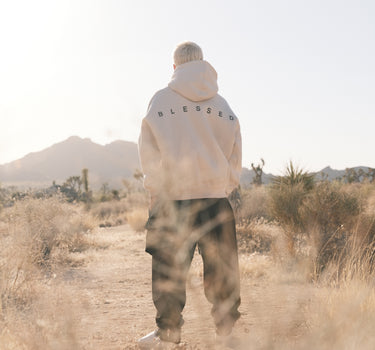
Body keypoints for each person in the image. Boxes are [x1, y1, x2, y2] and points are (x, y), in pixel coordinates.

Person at [137, 41, 242, 348]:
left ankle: (168, 335)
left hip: (174, 200)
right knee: (222, 269)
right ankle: (227, 334)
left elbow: (148, 151)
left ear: (174, 67)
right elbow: (235, 151)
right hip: (215, 199)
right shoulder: (223, 105)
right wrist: (225, 187)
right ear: (202, 63)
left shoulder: (160, 101)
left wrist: (154, 190)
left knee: (168, 269)